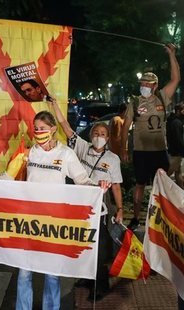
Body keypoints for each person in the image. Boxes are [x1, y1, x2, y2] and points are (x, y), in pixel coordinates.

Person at [0, 110, 110, 310]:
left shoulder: (65, 153)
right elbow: (6, 178)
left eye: (42, 129)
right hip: (28, 222)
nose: (38, 132)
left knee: (52, 273)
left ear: (53, 129)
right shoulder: (27, 153)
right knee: (24, 273)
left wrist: (97, 188)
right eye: (36, 129)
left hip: (53, 224)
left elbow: (82, 180)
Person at [50, 98, 123, 301]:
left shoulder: (113, 159)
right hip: (79, 205)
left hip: (99, 209)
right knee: (81, 244)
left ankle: (100, 285)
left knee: (96, 247)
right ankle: (85, 277)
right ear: (91, 136)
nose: (99, 137)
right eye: (96, 134)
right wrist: (54, 106)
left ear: (108, 138)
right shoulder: (81, 148)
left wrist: (120, 209)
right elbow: (65, 126)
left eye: (103, 135)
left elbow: (116, 186)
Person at [120, 43, 180, 230]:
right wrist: (124, 149)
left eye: (148, 83)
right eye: (142, 83)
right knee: (139, 185)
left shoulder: (162, 97)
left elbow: (176, 78)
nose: (144, 86)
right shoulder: (135, 102)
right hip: (140, 150)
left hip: (159, 149)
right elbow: (125, 126)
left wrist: (171, 54)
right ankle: (136, 218)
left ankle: (162, 217)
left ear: (155, 86)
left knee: (162, 184)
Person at [166, 102, 184, 189]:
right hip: (176, 152)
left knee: (178, 172)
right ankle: (160, 188)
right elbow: (178, 139)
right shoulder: (177, 122)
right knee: (168, 173)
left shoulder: (173, 121)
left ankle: (181, 190)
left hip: (174, 151)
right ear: (178, 111)